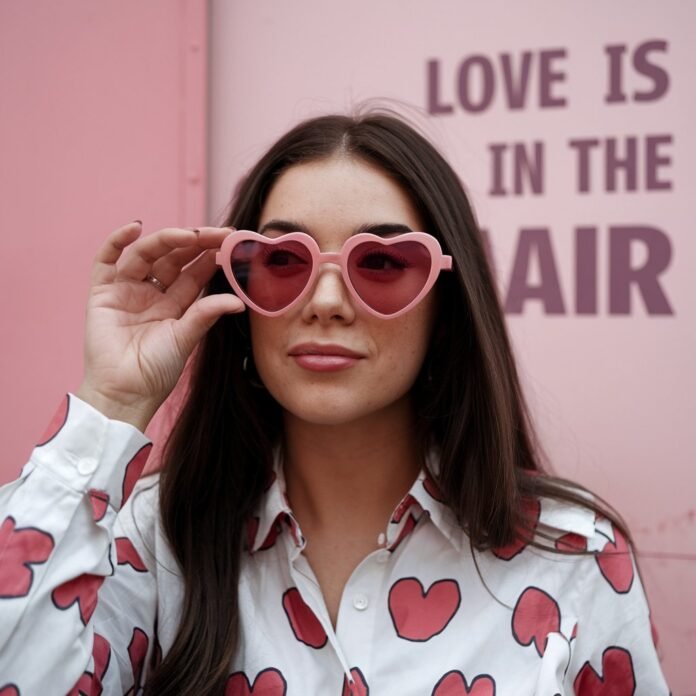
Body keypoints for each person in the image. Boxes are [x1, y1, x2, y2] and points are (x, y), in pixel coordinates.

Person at [0, 112, 669, 695]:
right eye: (284, 261)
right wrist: (113, 400)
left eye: (379, 263)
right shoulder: (150, 542)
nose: (323, 302)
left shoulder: (573, 555)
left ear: (446, 308)